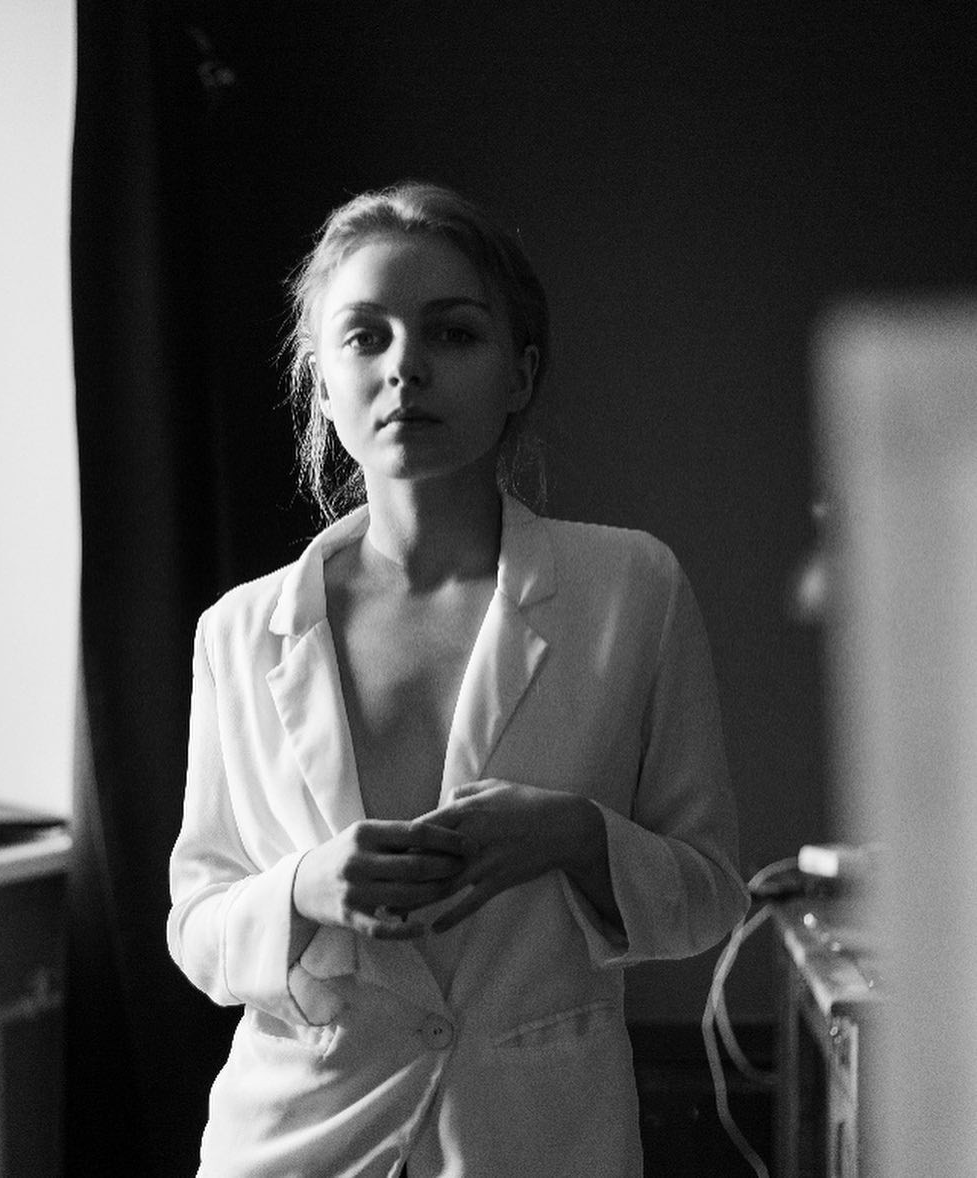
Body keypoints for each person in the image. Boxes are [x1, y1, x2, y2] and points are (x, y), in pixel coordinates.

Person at [167, 182, 749, 1177]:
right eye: (366, 336)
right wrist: (303, 888)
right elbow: (197, 926)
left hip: (540, 1141)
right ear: (322, 383)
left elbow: (709, 896)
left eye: (453, 332)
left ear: (519, 373)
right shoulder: (240, 632)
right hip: (296, 1141)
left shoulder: (631, 589)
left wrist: (575, 836)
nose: (407, 366)